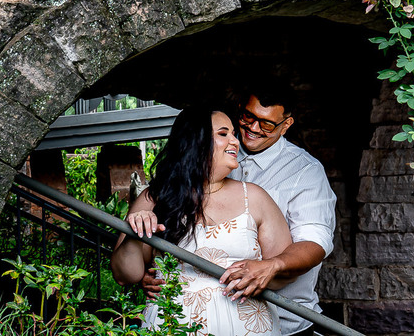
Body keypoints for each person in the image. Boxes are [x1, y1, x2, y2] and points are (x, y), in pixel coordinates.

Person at [141, 80, 337, 335]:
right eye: (248, 116)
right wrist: (154, 274)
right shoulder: (205, 159)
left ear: (286, 125)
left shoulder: (306, 172)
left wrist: (274, 264)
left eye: (266, 124)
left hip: (286, 318)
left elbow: (315, 241)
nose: (253, 128)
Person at [111, 108, 293, 336]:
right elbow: (124, 276)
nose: (235, 142)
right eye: (224, 134)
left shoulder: (254, 197)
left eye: (234, 134)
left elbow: (285, 273)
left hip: (245, 325)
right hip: (172, 323)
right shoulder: (154, 198)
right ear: (195, 142)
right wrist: (134, 232)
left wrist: (262, 274)